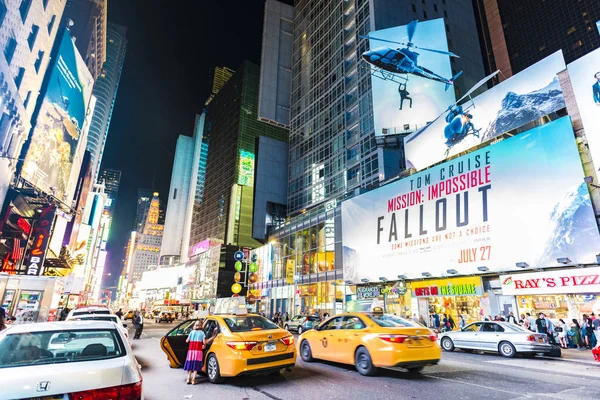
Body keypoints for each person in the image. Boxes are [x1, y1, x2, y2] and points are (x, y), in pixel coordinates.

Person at [184, 320, 206, 385]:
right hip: (198, 351)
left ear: (194, 326)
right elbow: (204, 342)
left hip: (191, 351)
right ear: (201, 326)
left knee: (190, 363)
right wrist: (204, 345)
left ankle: (188, 378)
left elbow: (187, 341)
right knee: (196, 364)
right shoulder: (202, 333)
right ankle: (193, 379)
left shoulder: (191, 332)